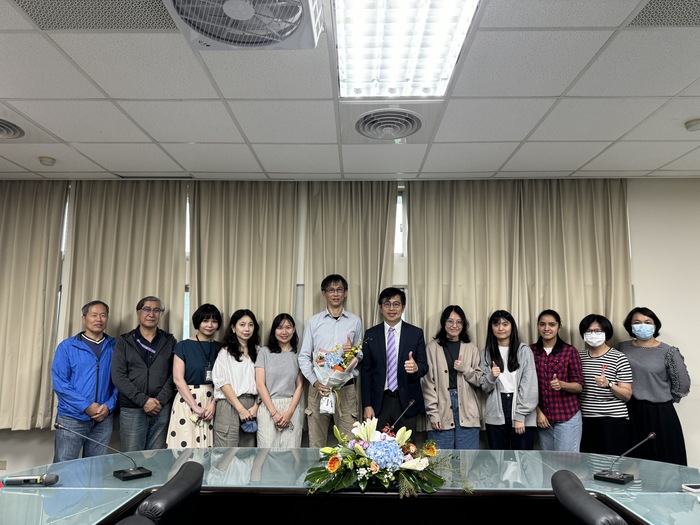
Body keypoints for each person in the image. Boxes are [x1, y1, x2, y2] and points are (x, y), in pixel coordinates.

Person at [618, 306, 691, 466]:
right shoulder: (622, 348)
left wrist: (662, 398)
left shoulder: (668, 351)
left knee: (665, 461)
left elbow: (683, 385)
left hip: (660, 413)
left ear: (655, 325)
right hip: (629, 411)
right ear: (630, 326)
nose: (642, 325)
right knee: (632, 463)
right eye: (637, 322)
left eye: (647, 322)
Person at [299, 274, 363, 448]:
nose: (335, 294)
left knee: (350, 443)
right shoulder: (313, 322)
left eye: (339, 290)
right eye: (331, 290)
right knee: (317, 442)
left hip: (346, 388)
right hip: (319, 389)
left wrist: (355, 353)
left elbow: (361, 354)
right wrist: (315, 382)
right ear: (324, 293)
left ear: (346, 293)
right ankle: (318, 475)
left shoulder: (355, 321)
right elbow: (304, 356)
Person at [52, 300, 118, 462]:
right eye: (94, 315)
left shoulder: (116, 346)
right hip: (71, 418)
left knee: (94, 469)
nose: (99, 319)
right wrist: (86, 406)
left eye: (103, 315)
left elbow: (121, 381)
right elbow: (60, 383)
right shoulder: (67, 347)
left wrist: (108, 406)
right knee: (64, 467)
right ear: (84, 318)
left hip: (103, 418)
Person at [112, 296, 177, 452]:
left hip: (161, 408)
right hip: (132, 408)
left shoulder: (169, 341)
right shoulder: (124, 341)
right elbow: (118, 376)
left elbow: (174, 375)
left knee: (156, 459)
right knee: (132, 458)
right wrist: (144, 401)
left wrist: (159, 401)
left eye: (156, 310)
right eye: (147, 309)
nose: (151, 314)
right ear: (138, 313)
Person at [361, 287, 428, 436]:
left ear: (403, 307)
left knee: (408, 452)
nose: (392, 308)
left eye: (396, 304)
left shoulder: (415, 333)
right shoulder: (371, 334)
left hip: (406, 403)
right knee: (376, 451)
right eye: (387, 304)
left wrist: (416, 368)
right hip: (379, 403)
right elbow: (366, 373)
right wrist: (367, 405)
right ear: (380, 307)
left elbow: (424, 367)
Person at [421, 305, 483, 450]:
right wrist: (433, 413)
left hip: (467, 409)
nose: (454, 326)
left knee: (468, 462)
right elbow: (428, 383)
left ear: (463, 324)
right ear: (443, 323)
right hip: (441, 407)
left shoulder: (471, 348)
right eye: (450, 321)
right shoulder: (432, 348)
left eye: (459, 322)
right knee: (440, 463)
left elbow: (480, 380)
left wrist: (465, 369)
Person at [479, 310, 537, 450]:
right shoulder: (486, 353)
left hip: (520, 405)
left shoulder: (523, 351)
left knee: (523, 459)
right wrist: (491, 377)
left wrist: (520, 416)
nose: (501, 328)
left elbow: (529, 384)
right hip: (496, 409)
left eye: (505, 324)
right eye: (496, 324)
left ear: (512, 326)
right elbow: (485, 387)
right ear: (491, 328)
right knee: (498, 459)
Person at [166, 303, 222, 449]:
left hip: (214, 399)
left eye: (214, 321)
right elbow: (178, 379)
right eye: (205, 320)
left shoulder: (221, 348)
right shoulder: (183, 346)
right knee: (185, 447)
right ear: (198, 322)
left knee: (211, 447)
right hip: (187, 399)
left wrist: (214, 403)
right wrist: (195, 407)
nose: (210, 325)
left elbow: (226, 380)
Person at [577, 313, 633, 456]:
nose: (593, 334)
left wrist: (609, 385)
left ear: (606, 333)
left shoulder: (619, 358)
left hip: (612, 419)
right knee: (589, 463)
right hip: (585, 419)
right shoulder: (579, 357)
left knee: (612, 465)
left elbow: (627, 395)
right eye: (589, 331)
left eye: (598, 331)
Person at [530, 309, 584, 452]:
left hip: (567, 417)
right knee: (548, 464)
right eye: (542, 324)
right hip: (542, 418)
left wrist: (562, 384)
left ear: (559, 327)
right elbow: (525, 386)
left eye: (551, 324)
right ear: (538, 326)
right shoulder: (530, 351)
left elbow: (579, 386)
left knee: (567, 464)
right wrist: (538, 412)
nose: (546, 328)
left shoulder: (570, 351)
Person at [212, 308, 260, 447]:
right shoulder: (225, 352)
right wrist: (240, 409)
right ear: (233, 328)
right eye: (242, 324)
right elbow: (222, 382)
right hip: (229, 405)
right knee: (226, 453)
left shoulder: (259, 351)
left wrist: (256, 406)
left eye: (251, 324)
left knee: (248, 453)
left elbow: (264, 383)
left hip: (252, 405)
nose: (247, 328)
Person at [255, 313, 305, 447]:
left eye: (288, 327)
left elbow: (300, 386)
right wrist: (274, 413)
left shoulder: (298, 354)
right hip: (268, 407)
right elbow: (260, 385)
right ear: (274, 330)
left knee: (291, 451)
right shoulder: (264, 352)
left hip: (291, 407)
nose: (284, 332)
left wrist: (289, 412)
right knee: (266, 451)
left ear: (294, 330)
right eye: (280, 327)